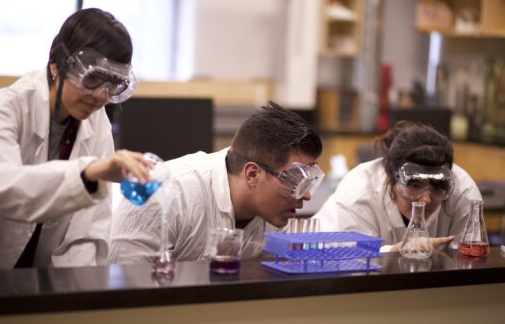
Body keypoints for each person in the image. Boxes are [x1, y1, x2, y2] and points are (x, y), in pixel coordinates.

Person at [0, 8, 154, 269]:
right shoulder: (7, 108)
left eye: (113, 84)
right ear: (56, 65)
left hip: (37, 279)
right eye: (92, 78)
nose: (101, 96)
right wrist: (89, 172)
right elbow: (5, 188)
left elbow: (87, 229)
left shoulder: (96, 120)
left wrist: (73, 292)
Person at [108, 102, 324, 263]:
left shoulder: (275, 215)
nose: (306, 195)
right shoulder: (166, 194)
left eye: (309, 181)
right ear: (252, 174)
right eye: (296, 181)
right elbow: (124, 289)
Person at [314, 121, 482, 252]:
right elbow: (354, 260)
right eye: (415, 185)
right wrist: (396, 250)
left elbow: (467, 262)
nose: (426, 198)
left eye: (437, 187)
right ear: (391, 178)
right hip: (318, 263)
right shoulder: (359, 190)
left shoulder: (464, 193)